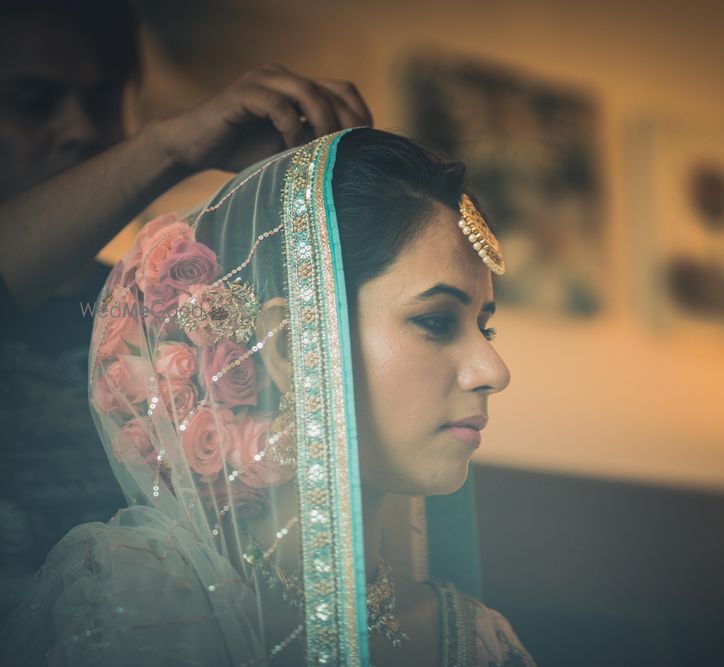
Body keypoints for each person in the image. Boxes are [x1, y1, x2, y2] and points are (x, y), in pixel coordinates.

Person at [0, 127, 536, 666]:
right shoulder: (139, 606)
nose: (494, 370)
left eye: (484, 329)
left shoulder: (478, 641)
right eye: (437, 320)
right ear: (289, 344)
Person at [0, 0, 371, 628]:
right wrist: (172, 144)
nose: (81, 130)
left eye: (101, 101)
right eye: (33, 101)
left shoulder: (162, 305)